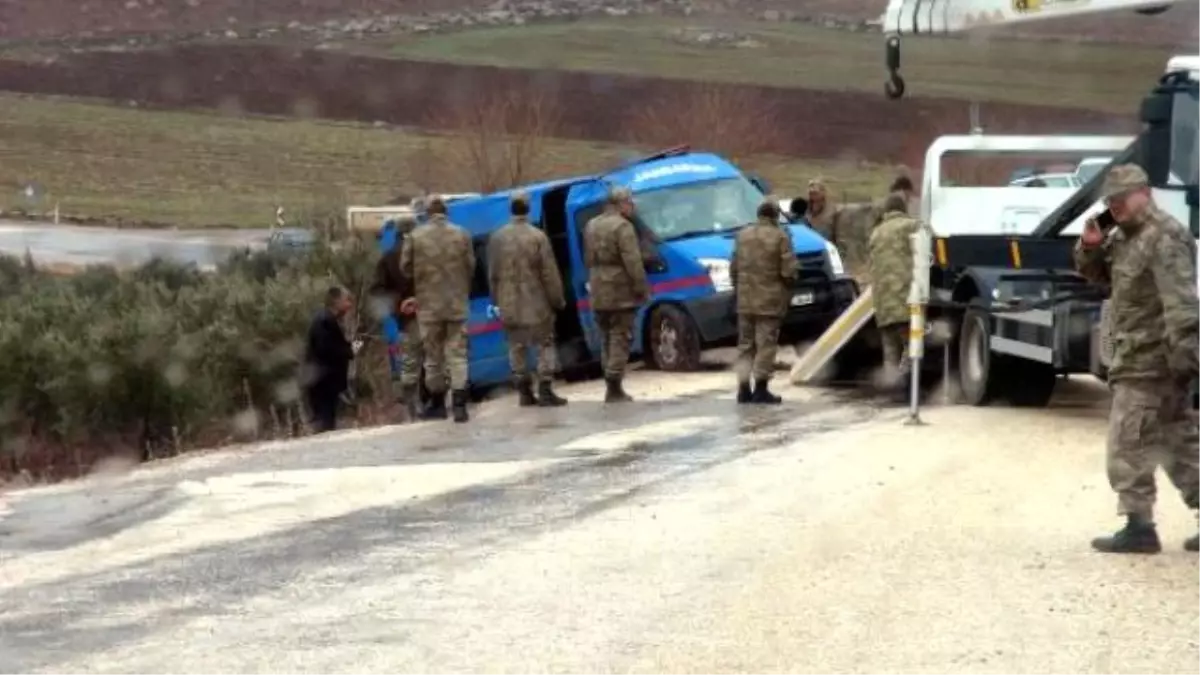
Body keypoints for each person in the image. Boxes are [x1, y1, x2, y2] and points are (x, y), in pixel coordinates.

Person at [1074, 164, 1200, 554]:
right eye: (1110, 201)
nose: (1114, 206)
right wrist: (1090, 245)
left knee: (1128, 442)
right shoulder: (1126, 238)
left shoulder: (1164, 238)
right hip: (1138, 357)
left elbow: (1181, 306)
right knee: (1180, 443)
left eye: (1121, 198)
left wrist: (1189, 365)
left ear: (1144, 193)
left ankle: (1139, 527)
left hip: (1155, 361)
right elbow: (1096, 275)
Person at [487, 190, 569, 407]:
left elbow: (493, 274)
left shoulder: (497, 238)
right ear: (528, 207)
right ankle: (545, 390)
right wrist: (557, 300)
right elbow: (549, 273)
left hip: (509, 303)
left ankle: (524, 391)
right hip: (536, 301)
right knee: (544, 344)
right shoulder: (537, 236)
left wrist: (496, 300)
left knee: (516, 346)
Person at [400, 195, 475, 423]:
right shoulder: (461, 234)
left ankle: (438, 403)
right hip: (456, 303)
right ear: (446, 211)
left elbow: (405, 268)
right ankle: (460, 404)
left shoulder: (415, 237)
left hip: (429, 306)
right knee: (458, 354)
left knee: (433, 357)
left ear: (427, 213)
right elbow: (471, 266)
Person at [584, 185, 649, 403]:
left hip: (598, 290)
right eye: (630, 203)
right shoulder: (623, 227)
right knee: (620, 337)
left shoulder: (591, 225)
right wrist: (641, 289)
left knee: (606, 338)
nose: (632, 207)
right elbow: (633, 261)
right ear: (621, 204)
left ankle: (609, 380)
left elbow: (588, 260)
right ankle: (614, 385)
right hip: (620, 292)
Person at [731, 199, 797, 404]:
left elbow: (733, 268)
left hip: (745, 300)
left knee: (745, 345)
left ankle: (743, 389)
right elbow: (789, 271)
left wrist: (740, 288)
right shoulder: (780, 237)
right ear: (776, 216)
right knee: (765, 345)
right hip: (769, 301)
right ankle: (760, 389)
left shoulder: (742, 236)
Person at [867, 191, 931, 396]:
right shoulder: (911, 226)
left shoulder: (876, 233)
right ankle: (906, 388)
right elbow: (930, 238)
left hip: (882, 303)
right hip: (905, 299)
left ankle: (892, 388)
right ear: (903, 208)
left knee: (890, 351)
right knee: (910, 345)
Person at [303, 286, 361, 433]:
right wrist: (350, 351)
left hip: (324, 382)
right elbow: (327, 349)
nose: (349, 305)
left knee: (327, 422)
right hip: (322, 384)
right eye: (346, 300)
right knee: (324, 424)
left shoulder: (328, 320)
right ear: (336, 301)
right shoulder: (324, 321)